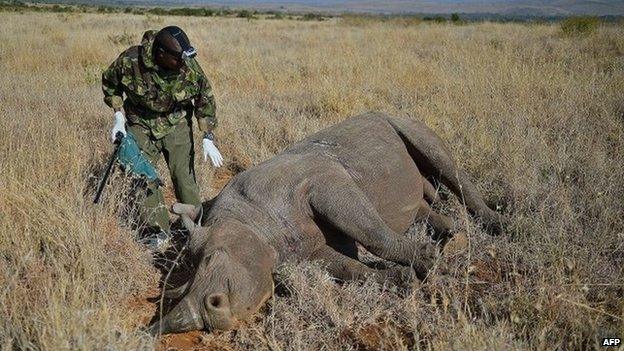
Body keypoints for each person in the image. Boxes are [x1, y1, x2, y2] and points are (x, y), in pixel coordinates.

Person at [101, 26, 223, 250]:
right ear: (160, 54)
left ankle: (194, 227)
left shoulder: (188, 67)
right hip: (140, 121)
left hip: (176, 123)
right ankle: (156, 231)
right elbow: (110, 85)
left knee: (183, 176)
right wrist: (118, 117)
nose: (182, 63)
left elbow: (204, 96)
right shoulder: (130, 61)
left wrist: (207, 136)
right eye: (177, 58)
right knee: (142, 175)